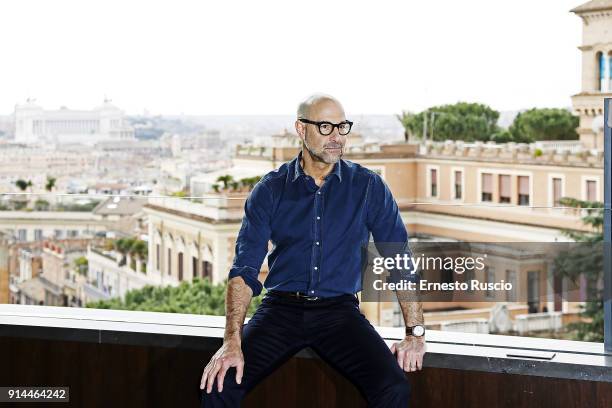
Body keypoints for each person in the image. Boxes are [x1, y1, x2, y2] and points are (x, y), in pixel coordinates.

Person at [200, 93, 426, 407]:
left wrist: (415, 333)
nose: (336, 137)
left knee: (393, 388)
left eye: (342, 127)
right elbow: (244, 270)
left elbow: (400, 262)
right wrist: (231, 340)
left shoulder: (369, 187)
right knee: (219, 385)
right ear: (301, 129)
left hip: (339, 314)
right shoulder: (270, 189)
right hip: (280, 312)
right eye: (325, 127)